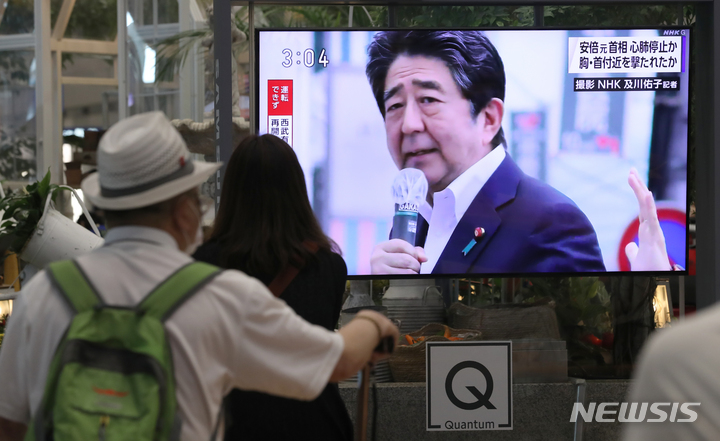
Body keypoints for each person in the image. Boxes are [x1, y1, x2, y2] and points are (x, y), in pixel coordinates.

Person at [0, 112, 398, 441]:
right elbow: (337, 361)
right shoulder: (218, 296)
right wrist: (372, 323)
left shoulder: (42, 296)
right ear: (181, 209)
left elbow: (11, 424)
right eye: (196, 195)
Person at [365, 30, 607, 275]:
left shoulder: (551, 223)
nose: (409, 124)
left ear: (489, 119)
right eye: (394, 105)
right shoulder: (411, 225)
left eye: (428, 100)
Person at [193, 134, 353, 441]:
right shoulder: (330, 268)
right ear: (296, 190)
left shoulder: (202, 265)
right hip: (315, 423)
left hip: (236, 423)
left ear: (233, 191)